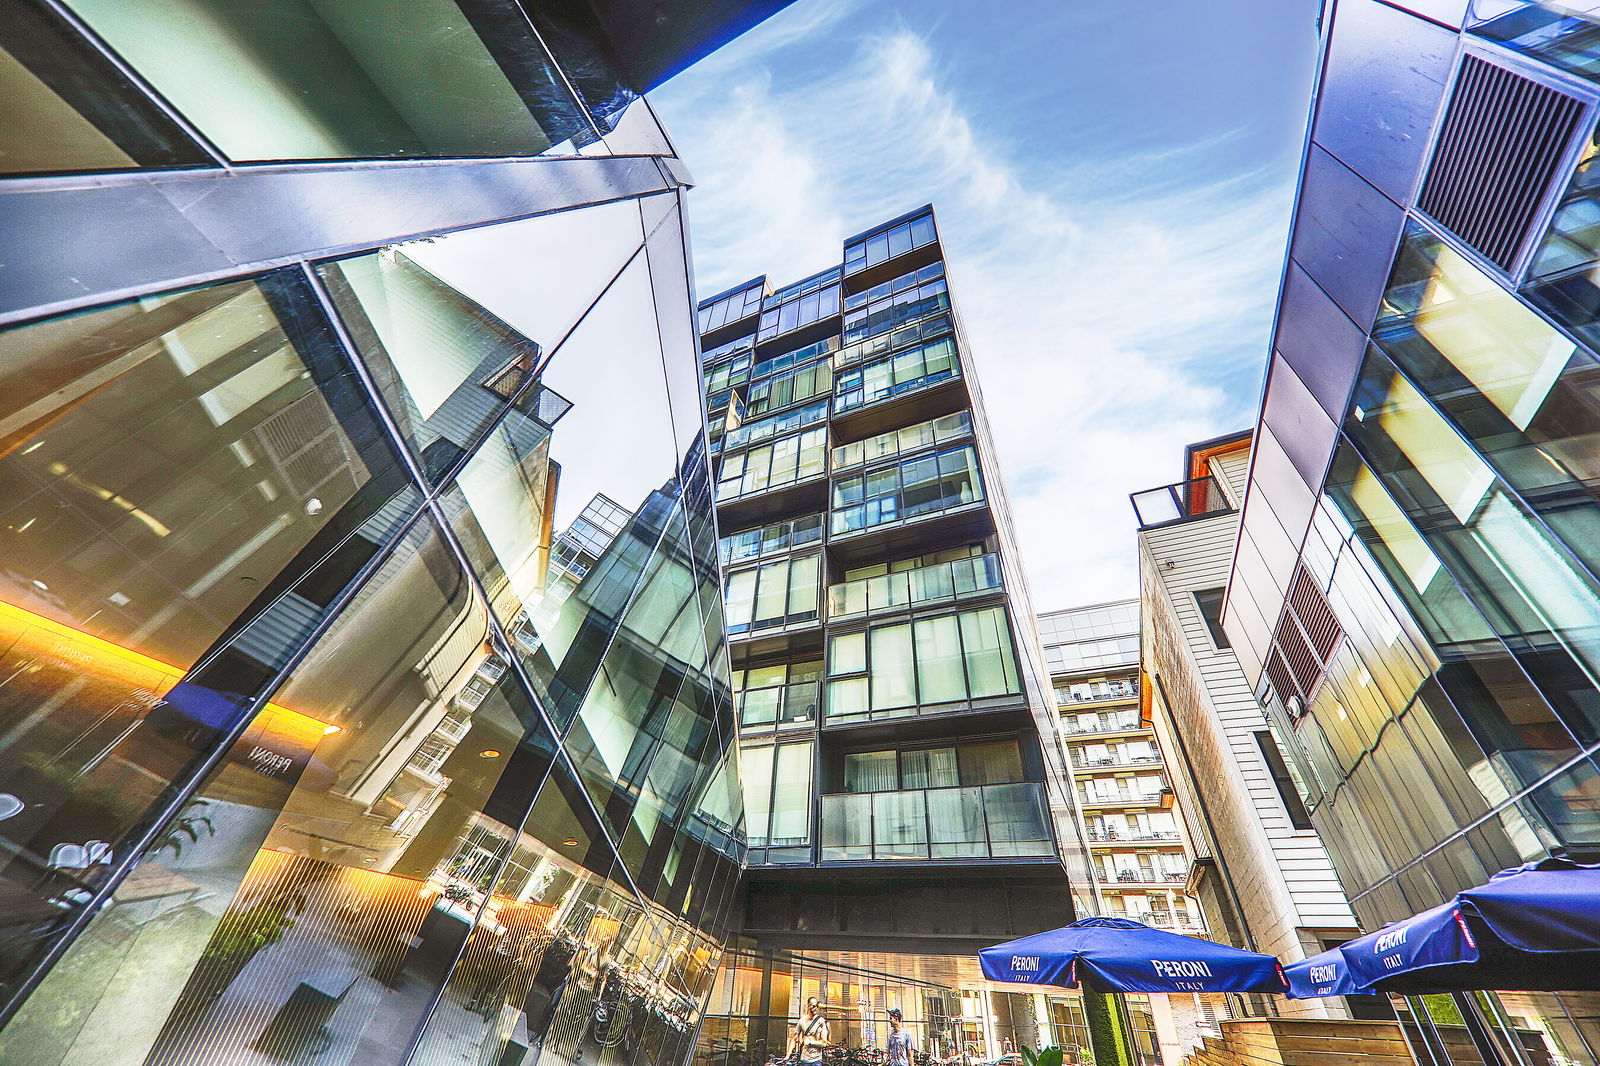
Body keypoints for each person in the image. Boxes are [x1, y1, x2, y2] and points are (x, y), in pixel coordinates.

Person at [788, 996, 829, 1065]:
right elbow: (794, 1039)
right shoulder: (802, 1020)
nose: (815, 1008)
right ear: (808, 1006)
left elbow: (824, 1043)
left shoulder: (821, 1021)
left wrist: (810, 1042)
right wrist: (787, 1055)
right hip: (804, 1059)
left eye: (816, 1006)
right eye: (813, 1006)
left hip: (816, 1060)